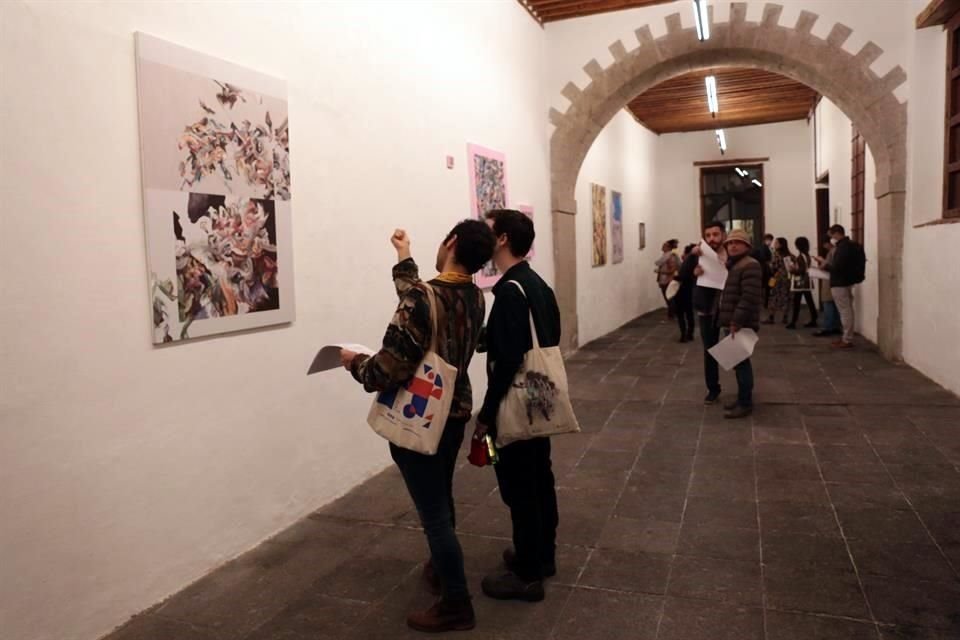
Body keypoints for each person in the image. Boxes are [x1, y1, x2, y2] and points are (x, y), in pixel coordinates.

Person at [340, 221, 495, 633]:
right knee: (441, 496)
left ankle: (456, 603)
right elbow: (424, 303)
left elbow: (386, 369)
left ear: (452, 243)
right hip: (456, 412)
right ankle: (441, 569)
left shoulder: (423, 299)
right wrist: (403, 254)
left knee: (435, 516)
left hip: (421, 416)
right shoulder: (475, 297)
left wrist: (352, 361)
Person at [475, 209, 561, 604]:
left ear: (504, 239)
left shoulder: (510, 290)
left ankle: (527, 575)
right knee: (540, 479)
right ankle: (542, 557)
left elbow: (508, 359)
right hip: (539, 398)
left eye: (489, 230)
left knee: (520, 488)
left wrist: (487, 413)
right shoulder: (536, 284)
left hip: (516, 399)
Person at [677, 221, 727, 404]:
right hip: (707, 307)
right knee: (710, 349)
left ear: (723, 235)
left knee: (737, 349)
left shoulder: (731, 253)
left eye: (715, 234)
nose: (712, 239)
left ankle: (744, 392)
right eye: (708, 235)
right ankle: (713, 388)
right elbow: (682, 274)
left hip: (728, 307)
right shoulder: (699, 254)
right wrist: (692, 263)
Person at [717, 229, 763, 419]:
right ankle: (742, 398)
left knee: (742, 363)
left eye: (738, 242)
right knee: (737, 362)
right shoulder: (734, 265)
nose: (733, 246)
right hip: (734, 321)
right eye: (729, 243)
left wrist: (736, 321)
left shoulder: (750, 265)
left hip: (741, 323)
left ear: (747, 246)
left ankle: (745, 402)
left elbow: (748, 297)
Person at [816, 224, 866, 349]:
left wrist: (824, 265)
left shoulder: (842, 247)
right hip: (848, 281)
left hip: (840, 282)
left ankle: (847, 339)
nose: (831, 238)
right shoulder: (850, 245)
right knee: (847, 310)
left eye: (831, 235)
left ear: (837, 233)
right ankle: (846, 337)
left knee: (845, 311)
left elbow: (837, 267)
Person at [786, 236, 819, 329]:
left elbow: (802, 270)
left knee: (796, 302)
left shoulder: (801, 257)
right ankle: (813, 318)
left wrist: (792, 270)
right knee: (809, 300)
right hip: (806, 281)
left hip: (801, 282)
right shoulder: (806, 255)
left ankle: (793, 322)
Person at [813, 238, 843, 337]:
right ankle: (835, 326)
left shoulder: (833, 251)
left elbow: (829, 265)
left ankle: (828, 327)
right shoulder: (835, 250)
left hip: (829, 280)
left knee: (828, 304)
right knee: (834, 305)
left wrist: (821, 261)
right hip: (834, 280)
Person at [765, 237, 792, 324]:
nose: (774, 244)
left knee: (773, 296)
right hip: (787, 278)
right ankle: (785, 317)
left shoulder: (776, 254)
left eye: (776, 243)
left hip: (777, 277)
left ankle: (771, 317)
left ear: (781, 245)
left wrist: (769, 265)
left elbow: (773, 267)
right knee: (785, 297)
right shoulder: (789, 255)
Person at [673, 243, 697, 342]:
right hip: (691, 291)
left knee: (681, 314)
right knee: (690, 313)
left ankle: (683, 334)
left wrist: (675, 276)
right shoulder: (697, 262)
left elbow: (682, 276)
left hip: (682, 291)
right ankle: (690, 333)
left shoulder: (688, 262)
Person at [655, 240, 681, 317]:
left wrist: (660, 271)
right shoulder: (665, 256)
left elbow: (672, 269)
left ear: (668, 247)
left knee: (669, 297)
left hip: (668, 280)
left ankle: (673, 314)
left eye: (664, 246)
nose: (662, 247)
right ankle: (673, 313)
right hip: (664, 280)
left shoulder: (671, 257)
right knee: (669, 297)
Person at [752, 233, 774, 308]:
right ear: (764, 240)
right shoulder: (762, 248)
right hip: (764, 270)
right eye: (768, 240)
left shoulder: (768, 248)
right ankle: (764, 303)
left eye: (771, 240)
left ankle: (765, 302)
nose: (770, 241)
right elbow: (764, 259)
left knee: (767, 286)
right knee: (766, 286)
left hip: (766, 270)